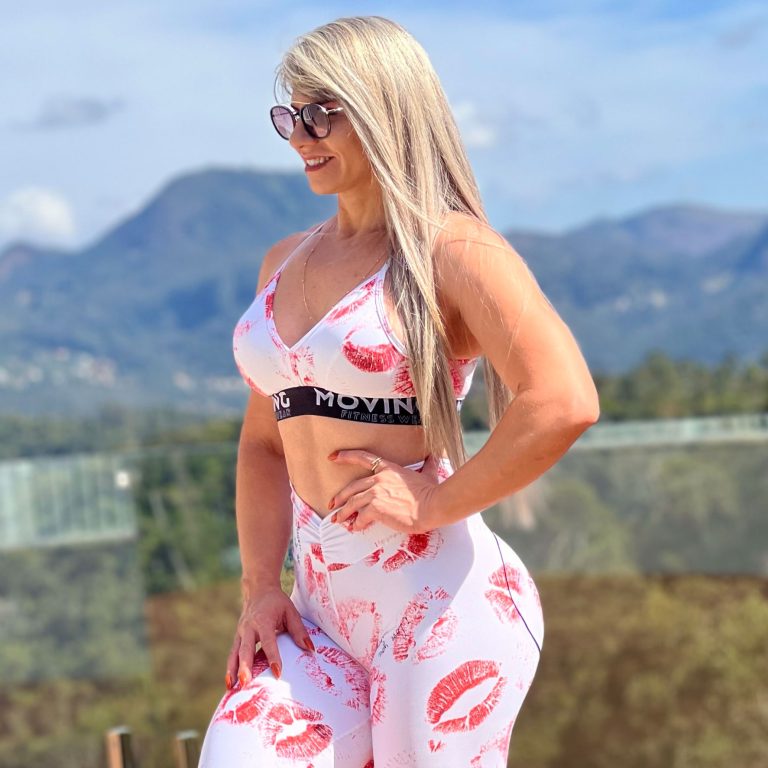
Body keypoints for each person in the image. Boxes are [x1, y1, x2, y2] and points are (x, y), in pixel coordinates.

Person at [198, 15, 599, 768]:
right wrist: (259, 588)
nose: (301, 135)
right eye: (291, 114)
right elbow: (263, 443)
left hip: (440, 609)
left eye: (323, 113)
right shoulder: (283, 262)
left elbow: (563, 399)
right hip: (317, 612)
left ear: (383, 109)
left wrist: (435, 503)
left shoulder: (452, 249)